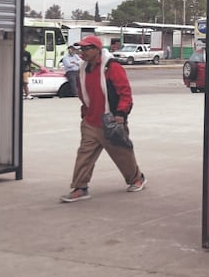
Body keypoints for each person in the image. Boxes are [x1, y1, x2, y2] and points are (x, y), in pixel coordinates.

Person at [60, 35, 147, 203]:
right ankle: (80, 187)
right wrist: (85, 113)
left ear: (97, 50)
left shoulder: (112, 67)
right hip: (91, 122)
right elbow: (83, 93)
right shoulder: (83, 69)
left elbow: (125, 93)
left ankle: (137, 178)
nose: (82, 52)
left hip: (111, 121)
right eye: (81, 49)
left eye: (86, 49)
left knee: (122, 154)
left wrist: (120, 115)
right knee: (84, 156)